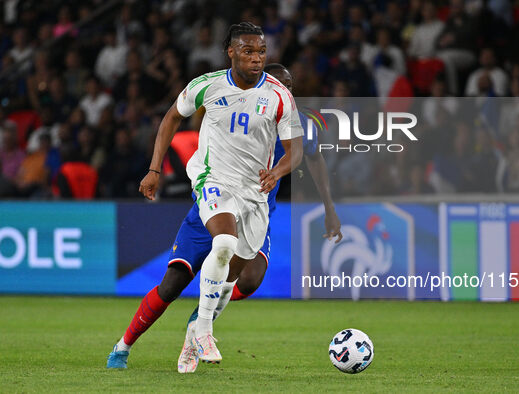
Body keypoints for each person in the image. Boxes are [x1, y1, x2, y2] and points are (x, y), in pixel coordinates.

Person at [107, 22, 303, 369]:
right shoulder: (207, 85)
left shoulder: (278, 97)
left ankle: (193, 334)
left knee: (235, 278)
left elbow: (296, 151)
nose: (256, 58)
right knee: (191, 269)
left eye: (261, 52)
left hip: (252, 196)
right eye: (248, 51)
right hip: (212, 182)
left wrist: (276, 171)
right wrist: (154, 170)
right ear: (230, 51)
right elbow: (170, 118)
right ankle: (127, 345)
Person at [177, 63, 343, 373]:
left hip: (260, 204)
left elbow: (315, 159)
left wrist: (329, 208)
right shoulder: (245, 112)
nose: (283, 90)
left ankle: (199, 326)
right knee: (220, 249)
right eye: (277, 84)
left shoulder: (301, 123)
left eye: (288, 85)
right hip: (223, 193)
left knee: (250, 279)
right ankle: (201, 329)